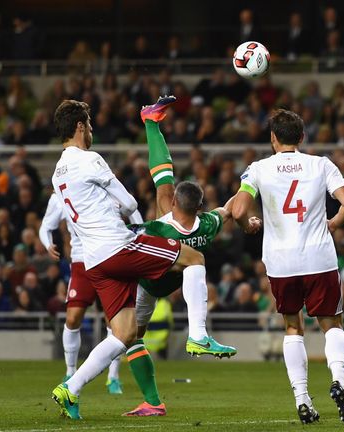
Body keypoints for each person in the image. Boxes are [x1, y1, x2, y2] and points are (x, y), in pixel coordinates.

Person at [49, 100, 207, 420]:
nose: (91, 129)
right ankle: (199, 335)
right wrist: (119, 210)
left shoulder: (56, 173)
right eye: (89, 124)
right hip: (117, 247)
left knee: (124, 333)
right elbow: (130, 202)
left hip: (94, 261)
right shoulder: (90, 159)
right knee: (194, 257)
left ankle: (70, 388)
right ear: (79, 126)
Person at [231, 109, 344, 425]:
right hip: (319, 257)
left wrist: (248, 224)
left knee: (292, 327)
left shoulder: (258, 169)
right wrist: (332, 223)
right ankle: (339, 382)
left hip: (281, 262)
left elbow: (238, 210)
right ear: (301, 137)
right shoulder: (321, 165)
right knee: (332, 324)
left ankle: (302, 399)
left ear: (273, 138)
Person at [124, 96, 241, 417]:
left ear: (177, 204)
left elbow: (127, 235)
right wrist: (250, 194)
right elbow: (228, 209)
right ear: (199, 207)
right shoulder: (208, 225)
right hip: (164, 282)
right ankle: (197, 335)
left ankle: (77, 384)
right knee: (164, 190)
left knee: (125, 339)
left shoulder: (157, 228)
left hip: (146, 284)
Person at [39, 192, 128, 394]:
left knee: (114, 321)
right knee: (72, 318)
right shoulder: (60, 194)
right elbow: (46, 226)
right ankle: (70, 372)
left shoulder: (103, 186)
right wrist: (48, 244)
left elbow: (133, 210)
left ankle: (113, 377)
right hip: (81, 261)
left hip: (108, 258)